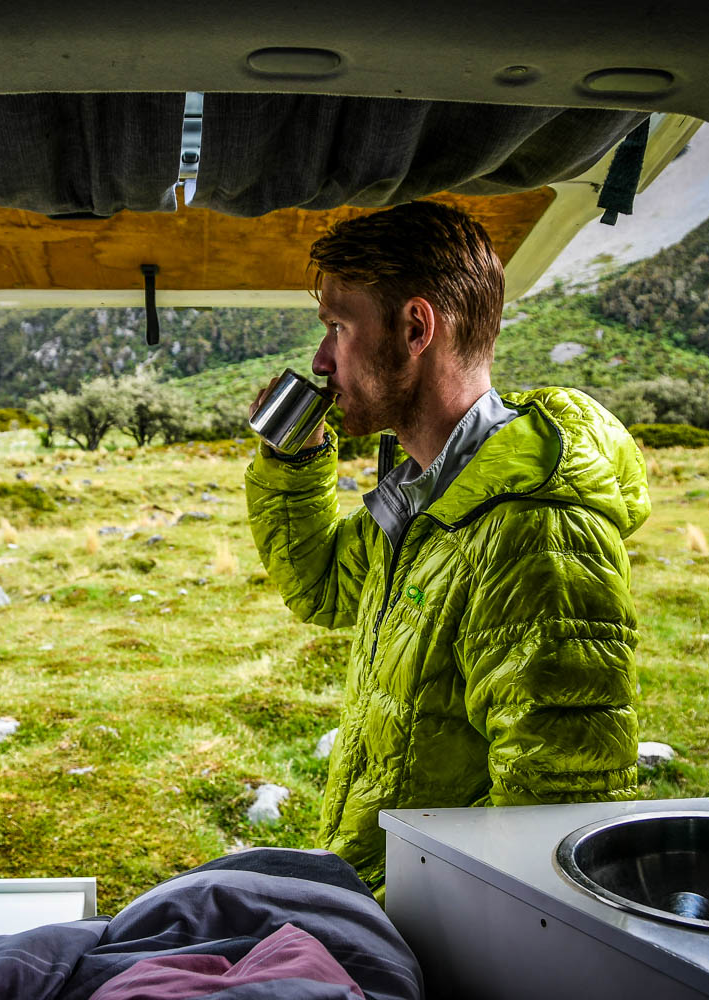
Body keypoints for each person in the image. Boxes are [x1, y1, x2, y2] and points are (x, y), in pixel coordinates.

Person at [244, 200, 650, 899]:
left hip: (432, 926)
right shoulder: (427, 492)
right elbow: (321, 588)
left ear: (414, 327)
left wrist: (405, 930)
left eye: (338, 328)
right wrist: (293, 462)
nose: (319, 360)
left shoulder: (535, 531)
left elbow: (549, 819)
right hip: (383, 893)